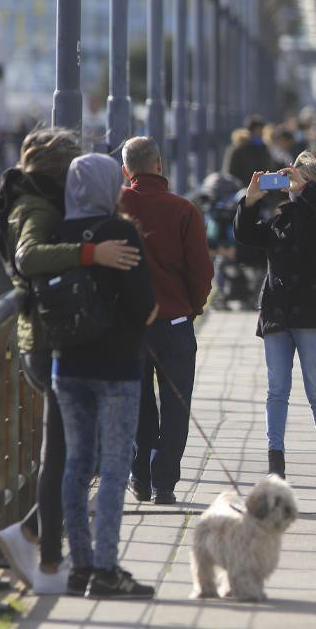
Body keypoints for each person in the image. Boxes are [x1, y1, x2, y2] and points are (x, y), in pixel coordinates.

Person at [0, 129, 141, 594]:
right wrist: (90, 252)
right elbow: (29, 255)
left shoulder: (43, 200)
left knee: (75, 452)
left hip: (58, 338)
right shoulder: (35, 206)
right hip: (46, 339)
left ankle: (41, 539)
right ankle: (50, 560)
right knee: (64, 455)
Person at [54, 154, 158, 598]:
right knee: (115, 465)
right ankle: (106, 568)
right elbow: (145, 306)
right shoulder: (121, 232)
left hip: (68, 363)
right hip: (117, 365)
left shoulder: (59, 235)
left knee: (77, 463)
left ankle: (78, 565)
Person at [234, 153, 316, 488]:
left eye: (300, 180)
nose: (292, 186)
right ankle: (275, 464)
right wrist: (250, 201)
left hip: (313, 312)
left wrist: (306, 190)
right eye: (290, 181)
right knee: (277, 389)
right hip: (278, 312)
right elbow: (245, 238)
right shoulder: (281, 217)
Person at [119, 137, 214, 505]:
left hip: (130, 328)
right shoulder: (184, 210)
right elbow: (201, 270)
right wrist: (193, 306)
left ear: (127, 170)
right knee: (176, 406)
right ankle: (165, 484)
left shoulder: (117, 206)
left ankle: (138, 476)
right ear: (159, 164)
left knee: (138, 403)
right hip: (175, 324)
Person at [224, 115, 276, 187]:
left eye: (261, 131)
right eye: (257, 131)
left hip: (263, 191)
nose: (260, 134)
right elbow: (231, 175)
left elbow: (269, 170)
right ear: (250, 131)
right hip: (243, 192)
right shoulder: (239, 149)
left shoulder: (264, 149)